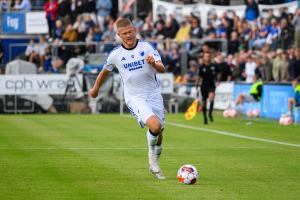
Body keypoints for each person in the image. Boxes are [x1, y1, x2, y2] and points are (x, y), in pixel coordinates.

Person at [89, 18, 166, 180]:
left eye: (130, 31)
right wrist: (95, 89)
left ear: (135, 30)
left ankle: (155, 160)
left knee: (159, 132)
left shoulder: (146, 47)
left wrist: (154, 64)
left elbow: (162, 68)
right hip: (134, 97)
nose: (128, 35)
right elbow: (104, 72)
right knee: (155, 125)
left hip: (153, 94)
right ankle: (152, 160)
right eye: (124, 33)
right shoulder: (116, 55)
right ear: (118, 35)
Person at [196, 52, 218, 125]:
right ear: (204, 58)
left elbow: (218, 73)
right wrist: (196, 86)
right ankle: (205, 118)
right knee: (204, 103)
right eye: (206, 56)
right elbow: (199, 77)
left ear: (210, 57)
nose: (207, 57)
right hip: (204, 86)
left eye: (209, 56)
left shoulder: (213, 66)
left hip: (211, 85)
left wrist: (218, 80)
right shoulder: (201, 67)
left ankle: (210, 114)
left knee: (211, 98)